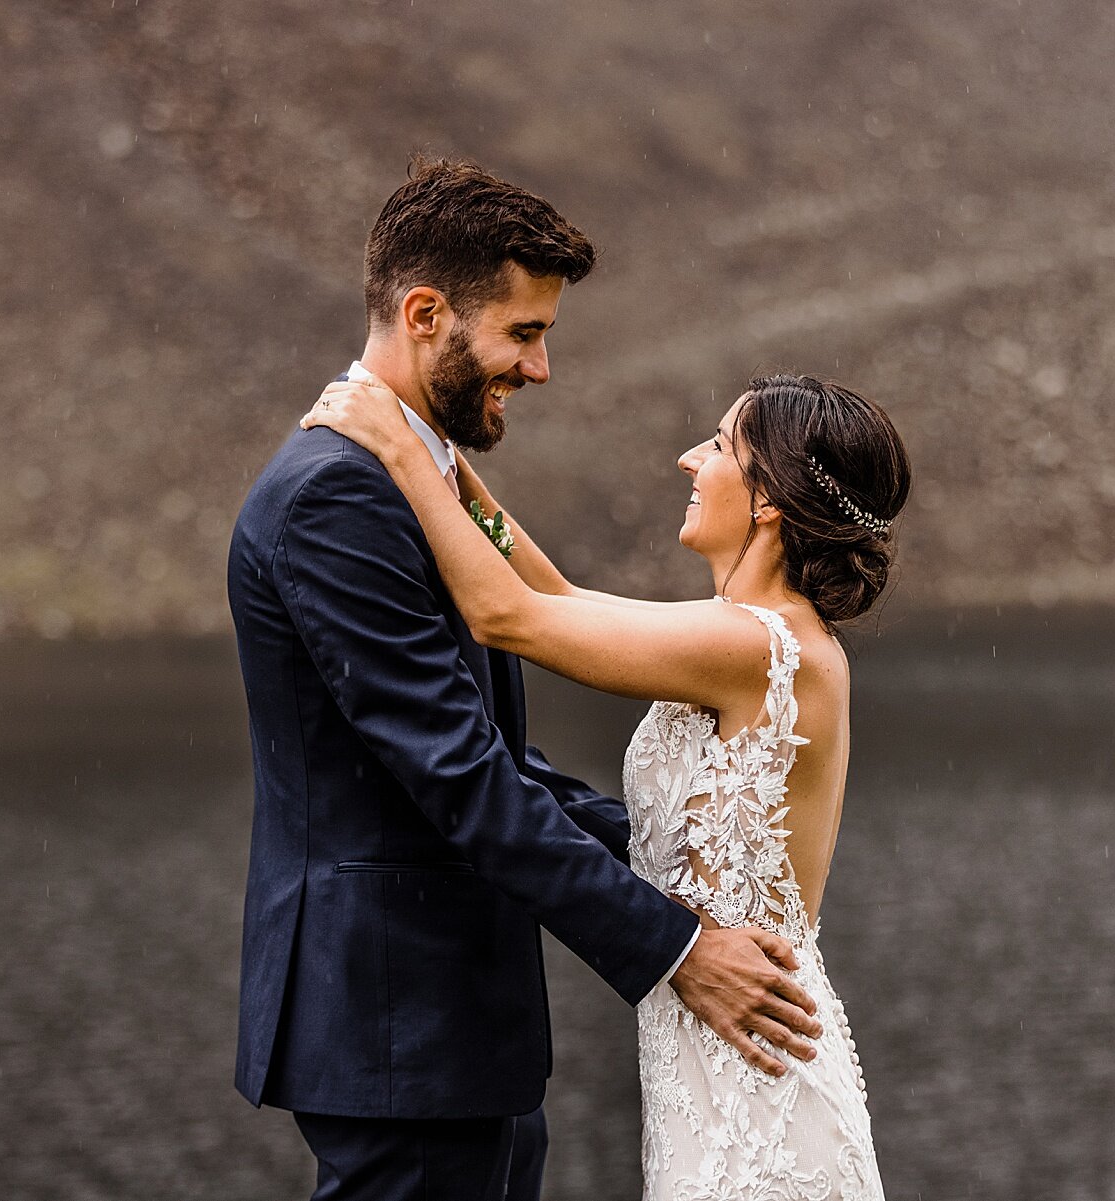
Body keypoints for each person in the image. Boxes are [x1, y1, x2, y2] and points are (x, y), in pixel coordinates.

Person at [226, 158, 823, 1201]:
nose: (539, 368)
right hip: (396, 1030)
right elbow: (461, 776)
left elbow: (499, 757)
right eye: (525, 332)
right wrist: (679, 947)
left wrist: (693, 877)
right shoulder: (337, 499)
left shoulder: (412, 481)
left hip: (452, 1033)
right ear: (424, 313)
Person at [302, 365, 910, 1200]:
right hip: (712, 1063)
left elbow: (505, 616)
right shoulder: (749, 636)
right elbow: (559, 595)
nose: (690, 459)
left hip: (755, 1078)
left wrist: (400, 454)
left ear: (768, 499)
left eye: (722, 444)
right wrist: (450, 466)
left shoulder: (761, 649)